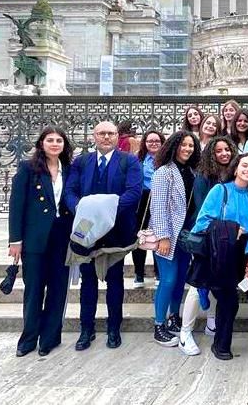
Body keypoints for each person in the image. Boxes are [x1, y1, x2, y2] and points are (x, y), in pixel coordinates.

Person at [64, 121, 143, 351]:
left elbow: (133, 193)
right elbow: (70, 191)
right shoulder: (82, 161)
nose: (106, 137)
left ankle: (113, 329)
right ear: (94, 136)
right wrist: (81, 209)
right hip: (87, 230)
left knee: (115, 281)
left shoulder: (129, 161)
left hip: (116, 231)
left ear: (118, 137)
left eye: (110, 133)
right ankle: (86, 329)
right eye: (101, 133)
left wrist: (104, 212)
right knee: (87, 282)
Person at [189, 153, 248, 361]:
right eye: (244, 165)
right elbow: (202, 222)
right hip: (222, 252)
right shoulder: (220, 190)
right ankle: (221, 344)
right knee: (229, 301)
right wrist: (231, 229)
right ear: (235, 168)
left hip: (246, 252)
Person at [8, 126, 74, 357]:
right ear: (41, 144)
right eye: (50, 140)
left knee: (58, 289)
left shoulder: (69, 169)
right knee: (34, 289)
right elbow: (16, 205)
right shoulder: (28, 169)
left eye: (59, 140)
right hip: (35, 237)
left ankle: (50, 337)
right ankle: (28, 338)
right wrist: (15, 240)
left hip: (62, 236)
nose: (55, 144)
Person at [178, 136, 238, 355]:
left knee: (218, 282)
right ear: (212, 154)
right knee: (198, 284)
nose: (223, 154)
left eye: (227, 150)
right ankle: (185, 333)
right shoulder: (204, 177)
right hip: (206, 237)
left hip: (225, 239)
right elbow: (204, 210)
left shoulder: (234, 175)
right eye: (218, 151)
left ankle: (212, 322)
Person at [149, 131, 201, 347]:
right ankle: (158, 325)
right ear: (173, 146)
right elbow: (158, 207)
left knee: (180, 279)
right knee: (168, 279)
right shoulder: (164, 172)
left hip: (186, 234)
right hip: (168, 234)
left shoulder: (192, 171)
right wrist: (163, 236)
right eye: (183, 145)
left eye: (191, 146)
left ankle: (173, 317)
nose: (187, 149)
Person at [132, 130, 165, 288]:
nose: (153, 144)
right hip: (142, 199)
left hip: (161, 199)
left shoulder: (167, 160)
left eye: (157, 141)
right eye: (150, 141)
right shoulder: (137, 159)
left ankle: (159, 272)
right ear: (144, 143)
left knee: (159, 235)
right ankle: (139, 273)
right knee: (140, 236)